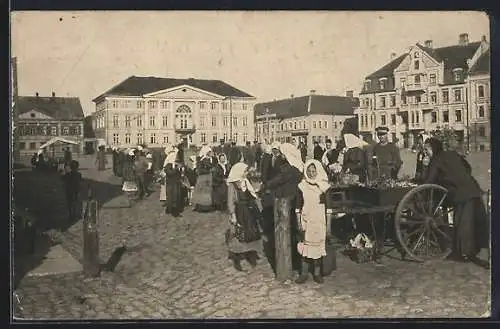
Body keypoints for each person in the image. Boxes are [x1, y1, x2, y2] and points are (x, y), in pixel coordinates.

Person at [423, 137, 489, 269]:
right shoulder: (452, 153)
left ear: (433, 148)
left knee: (465, 223)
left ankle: (465, 253)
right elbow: (468, 168)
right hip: (473, 189)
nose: (425, 153)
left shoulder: (435, 160)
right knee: (478, 221)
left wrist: (427, 169)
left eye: (426, 150)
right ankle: (481, 251)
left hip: (460, 193)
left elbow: (428, 181)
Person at [295, 159, 331, 284]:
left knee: (318, 248)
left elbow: (328, 208)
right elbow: (298, 207)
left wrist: (329, 224)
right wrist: (299, 222)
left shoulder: (323, 187)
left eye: (313, 171)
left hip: (319, 220)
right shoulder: (302, 186)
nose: (311, 174)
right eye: (309, 171)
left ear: (318, 171)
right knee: (305, 248)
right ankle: (303, 273)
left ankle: (316, 273)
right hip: (306, 220)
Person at [226, 162, 263, 271]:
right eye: (245, 171)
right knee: (239, 233)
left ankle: (250, 255)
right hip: (239, 211)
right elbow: (230, 201)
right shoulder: (232, 185)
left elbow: (254, 195)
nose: (246, 173)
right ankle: (237, 258)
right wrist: (232, 214)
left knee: (250, 233)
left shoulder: (247, 182)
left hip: (248, 210)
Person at [163, 145, 185, 217]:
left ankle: (171, 210)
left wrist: (181, 169)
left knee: (176, 197)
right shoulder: (168, 166)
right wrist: (176, 169)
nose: (176, 158)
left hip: (176, 183)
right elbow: (170, 173)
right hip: (171, 184)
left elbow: (180, 173)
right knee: (172, 197)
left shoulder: (176, 165)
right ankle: (174, 212)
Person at [192, 145, 215, 212]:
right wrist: (210, 170)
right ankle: (202, 207)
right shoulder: (204, 160)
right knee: (203, 191)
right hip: (204, 177)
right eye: (210, 152)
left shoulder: (207, 159)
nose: (211, 153)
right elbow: (200, 170)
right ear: (207, 152)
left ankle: (205, 206)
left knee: (205, 192)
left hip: (206, 177)